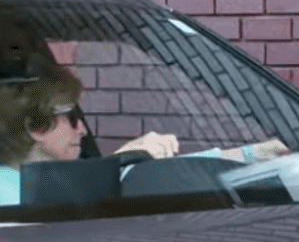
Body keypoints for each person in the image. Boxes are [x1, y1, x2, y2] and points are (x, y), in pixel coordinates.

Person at [0, 61, 179, 206]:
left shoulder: (31, 186)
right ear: (37, 126)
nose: (82, 130)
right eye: (71, 117)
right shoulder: (10, 194)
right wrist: (126, 158)